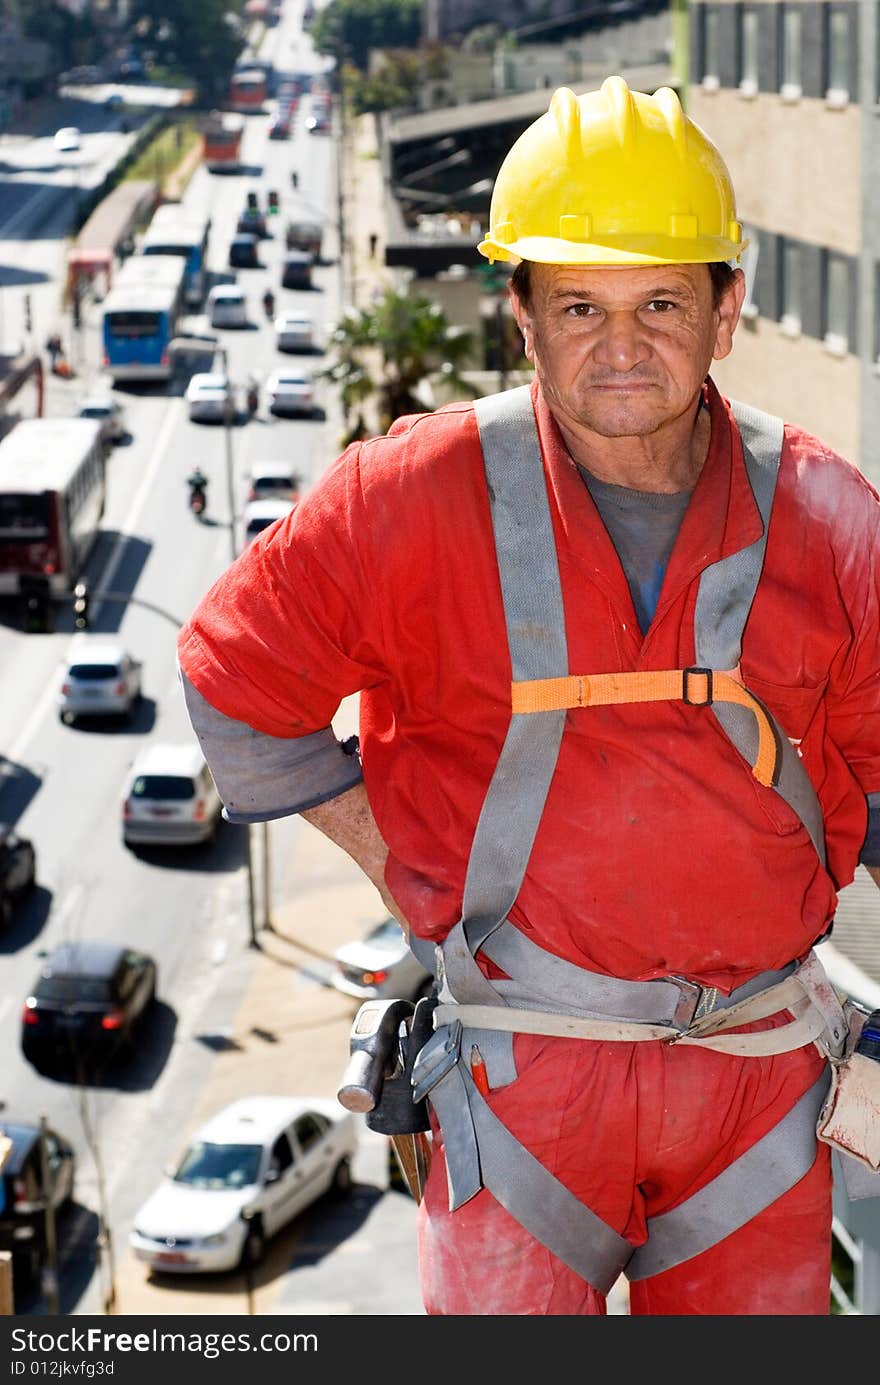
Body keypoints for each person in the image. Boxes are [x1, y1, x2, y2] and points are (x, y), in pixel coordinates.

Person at [176, 77, 880, 1316]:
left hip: (760, 1079)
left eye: (660, 301)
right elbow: (234, 678)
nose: (620, 345)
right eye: (578, 305)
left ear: (727, 309)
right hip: (519, 1075)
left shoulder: (828, 518)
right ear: (521, 317)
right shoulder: (406, 497)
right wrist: (402, 861)